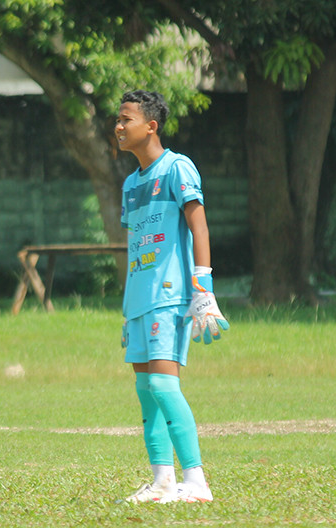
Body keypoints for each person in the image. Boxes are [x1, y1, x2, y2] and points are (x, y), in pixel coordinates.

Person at [115, 90, 229, 504]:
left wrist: (203, 289)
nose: (118, 127)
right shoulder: (130, 185)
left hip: (170, 296)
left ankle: (196, 482)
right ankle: (162, 480)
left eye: (126, 119)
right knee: (146, 391)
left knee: (164, 385)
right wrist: (127, 311)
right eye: (117, 120)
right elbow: (135, 250)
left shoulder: (178, 168)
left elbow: (199, 227)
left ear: (151, 126)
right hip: (139, 302)